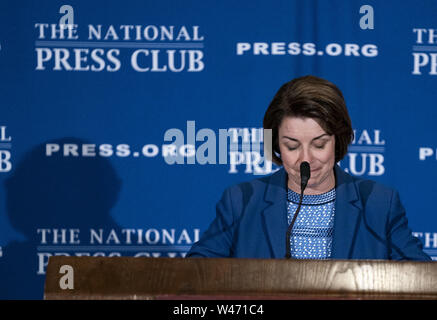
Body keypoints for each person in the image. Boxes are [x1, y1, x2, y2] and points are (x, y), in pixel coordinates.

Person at [187, 75, 431, 260]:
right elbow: (195, 275)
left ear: (339, 140)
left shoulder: (379, 203)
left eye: (319, 144)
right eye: (292, 146)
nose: (306, 159)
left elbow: (419, 279)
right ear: (275, 145)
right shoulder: (241, 202)